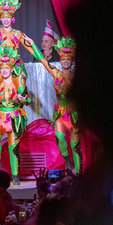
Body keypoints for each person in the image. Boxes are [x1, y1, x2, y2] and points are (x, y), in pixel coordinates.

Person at [0, 46, 29, 185]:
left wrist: (23, 99)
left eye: (7, 68)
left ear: (12, 69)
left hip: (14, 116)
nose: (4, 70)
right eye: (2, 68)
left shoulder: (18, 82)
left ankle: (15, 175)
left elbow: (27, 100)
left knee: (13, 147)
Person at [42, 37, 81, 172]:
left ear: (72, 61)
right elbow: (42, 60)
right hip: (60, 112)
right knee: (59, 137)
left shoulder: (76, 77)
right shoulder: (56, 73)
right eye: (63, 59)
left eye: (68, 59)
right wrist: (30, 44)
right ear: (60, 61)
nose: (65, 61)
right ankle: (67, 160)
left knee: (75, 145)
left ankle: (79, 174)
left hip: (74, 113)